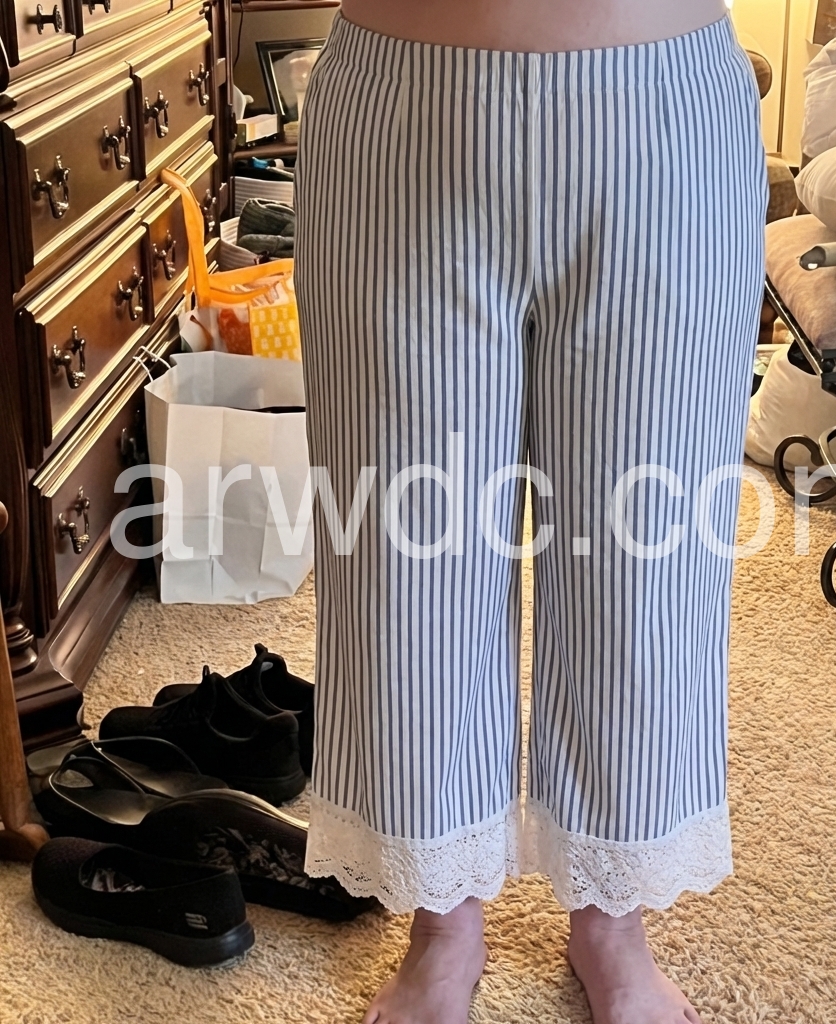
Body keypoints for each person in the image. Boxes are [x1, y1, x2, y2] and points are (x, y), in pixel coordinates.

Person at [293, 1, 767, 1021]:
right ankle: (441, 923)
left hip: (663, 106)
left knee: (645, 558)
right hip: (401, 110)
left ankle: (613, 920)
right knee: (403, 556)